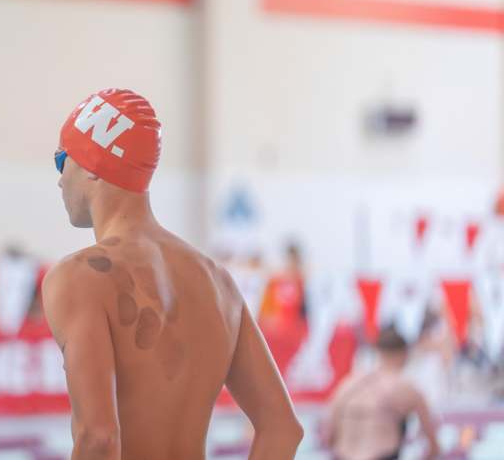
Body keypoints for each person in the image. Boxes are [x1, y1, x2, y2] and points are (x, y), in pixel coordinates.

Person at [42, 89, 302, 460]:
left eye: (60, 160)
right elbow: (282, 430)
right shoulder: (218, 282)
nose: (58, 178)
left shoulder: (78, 278)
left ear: (92, 165)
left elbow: (98, 437)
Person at [323, 326, 440, 460]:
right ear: (404, 354)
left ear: (377, 351)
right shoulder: (406, 388)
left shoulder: (346, 386)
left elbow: (330, 437)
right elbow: (433, 446)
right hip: (380, 455)